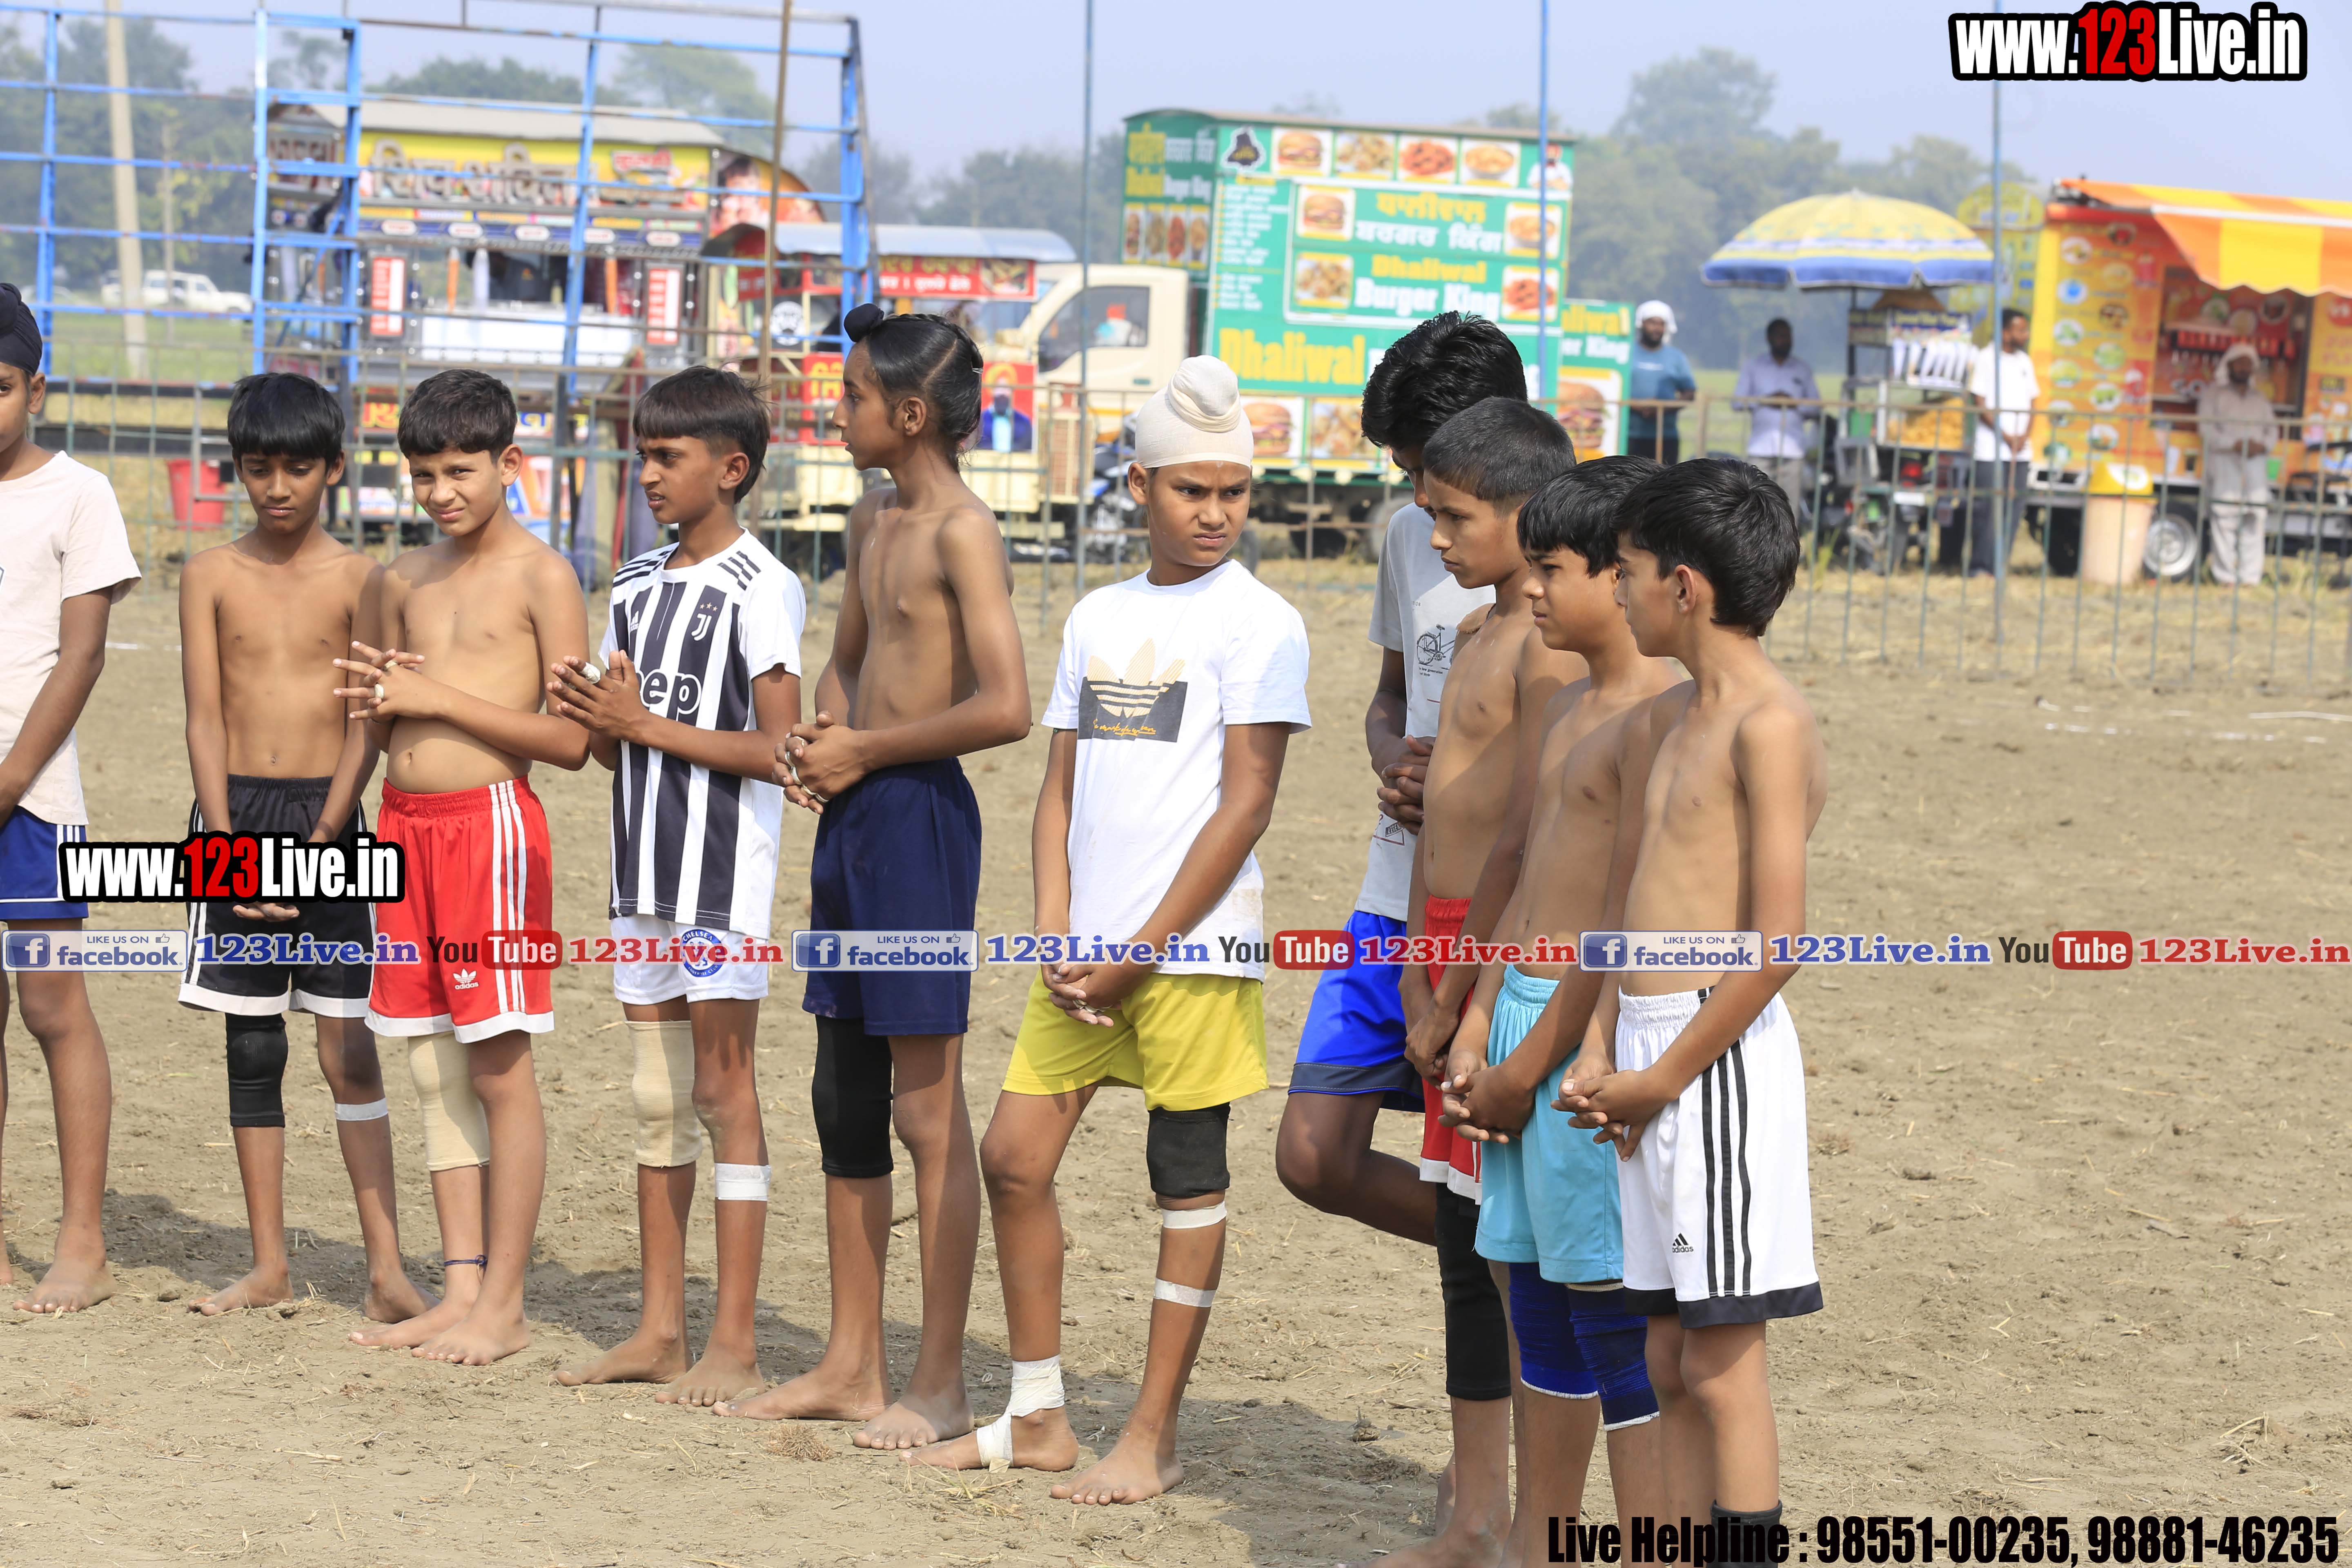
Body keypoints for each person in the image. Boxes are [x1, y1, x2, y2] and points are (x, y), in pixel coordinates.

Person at [911, 354, 1307, 1504]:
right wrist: (1053, 927)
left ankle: (1152, 1435)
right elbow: (1059, 789)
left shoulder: (1264, 622)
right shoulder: (1097, 614)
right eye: (1191, 490)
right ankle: (1038, 1415)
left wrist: (1138, 954)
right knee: (1011, 1160)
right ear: (1138, 486)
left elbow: (1247, 804)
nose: (1215, 512)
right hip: (1079, 957)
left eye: (1233, 491)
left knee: (1184, 1180)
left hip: (1193, 955)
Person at [716, 304, 1030, 1448]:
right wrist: (821, 737)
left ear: (907, 414)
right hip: (852, 815)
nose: (832, 413)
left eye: (848, 397)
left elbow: (1007, 706)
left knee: (924, 1109)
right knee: (842, 1097)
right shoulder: (868, 517)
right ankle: (852, 1365)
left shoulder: (964, 531)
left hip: (919, 823)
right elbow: (845, 662)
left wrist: (869, 751)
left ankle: (939, 1384)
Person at [1555, 459, 1826, 1561]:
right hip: (1648, 1049)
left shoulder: (1770, 724)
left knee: (1718, 1364)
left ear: (1684, 585)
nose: (1613, 589)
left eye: (1623, 569)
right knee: (1666, 1355)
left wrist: (1664, 1075)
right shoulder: (1670, 716)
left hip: (1713, 1060)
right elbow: (1633, 894)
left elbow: (1778, 941)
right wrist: (1601, 1040)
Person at [1436, 457, 1679, 1559]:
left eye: (1552, 569)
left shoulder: (1657, 719)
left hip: (1580, 1036)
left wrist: (1543, 1052)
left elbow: (1620, 915)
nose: (1529, 590)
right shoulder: (1568, 701)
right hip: (1519, 1015)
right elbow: (1527, 872)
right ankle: (1542, 1539)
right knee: (1530, 1291)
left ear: (1619, 574)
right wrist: (1474, 1011)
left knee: (1609, 1312)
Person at [547, 366, 804, 1405]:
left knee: (722, 1093)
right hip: (639, 872)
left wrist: (640, 724)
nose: (647, 473)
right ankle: (659, 1330)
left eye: (667, 457)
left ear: (731, 468)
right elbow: (620, 749)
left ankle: (733, 1342)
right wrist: (598, 717)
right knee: (658, 1099)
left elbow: (784, 752)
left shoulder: (762, 584)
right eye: (642, 455)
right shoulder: (633, 583)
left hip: (721, 881)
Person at [334, 368, 591, 1365]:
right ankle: (462, 1288)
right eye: (423, 474)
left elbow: (570, 743)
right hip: (401, 832)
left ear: (509, 463)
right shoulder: (397, 579)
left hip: (490, 832)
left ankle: (507, 1304)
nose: (441, 492)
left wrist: (434, 697)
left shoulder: (544, 576)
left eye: (460, 471)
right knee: (430, 1059)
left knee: (497, 1065)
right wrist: (379, 717)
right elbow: (374, 721)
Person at [176, 371, 430, 1323]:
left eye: (297, 468)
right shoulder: (208, 574)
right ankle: (268, 1266)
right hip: (232, 817)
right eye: (258, 468)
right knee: (252, 1044)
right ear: (236, 470)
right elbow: (204, 716)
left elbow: (370, 720)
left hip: (331, 817)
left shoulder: (366, 580)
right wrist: (225, 844)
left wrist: (327, 832)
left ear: (334, 468)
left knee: (348, 1046)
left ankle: (387, 1271)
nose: (277, 487)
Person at [1277, 312, 1525, 1244]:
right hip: (1394, 896)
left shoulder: (1576, 560)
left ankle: (1518, 1259)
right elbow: (1388, 699)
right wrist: (1394, 763)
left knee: (1483, 1162)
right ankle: (1506, 1248)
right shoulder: (1408, 536)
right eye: (1406, 473)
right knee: (1312, 1155)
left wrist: (1471, 791)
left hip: (1497, 909)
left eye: (1424, 469)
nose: (1417, 497)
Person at [1390, 395, 1584, 1568]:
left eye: (1455, 518)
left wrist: (1465, 991)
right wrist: (1420, 975)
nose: (1438, 539)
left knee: (1507, 1253)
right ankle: (1475, 1515)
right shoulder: (1471, 634)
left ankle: (1523, 1524)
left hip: (1497, 956)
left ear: (1524, 513)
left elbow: (1523, 840)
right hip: (1442, 948)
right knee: (1464, 1247)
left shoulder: (1548, 654)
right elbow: (1439, 832)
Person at [0, 282, 137, 1315]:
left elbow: (80, 656)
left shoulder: (79, 495)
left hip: (33, 798)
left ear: (36, 389)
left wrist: (9, 780)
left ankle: (81, 1240)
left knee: (52, 1004)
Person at [2197, 341, 2276, 587]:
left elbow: (2273, 431)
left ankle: (2250, 578)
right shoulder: (2213, 396)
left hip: (2255, 467)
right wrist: (2235, 444)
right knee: (2225, 519)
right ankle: (2226, 578)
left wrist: (2261, 446)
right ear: (2229, 366)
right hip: (2226, 464)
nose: (2244, 368)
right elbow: (2206, 430)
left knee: (2254, 520)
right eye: (2239, 363)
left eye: (2248, 364)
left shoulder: (2260, 399)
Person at [1967, 308, 2039, 577]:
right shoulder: (1986, 359)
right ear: (2006, 332)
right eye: (2021, 330)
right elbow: (1980, 403)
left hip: (2020, 452)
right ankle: (1980, 566)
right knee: (1988, 509)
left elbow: (2034, 401)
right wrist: (2007, 437)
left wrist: (2025, 436)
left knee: (2013, 508)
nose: (2026, 335)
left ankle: (1999, 566)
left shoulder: (2025, 362)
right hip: (1991, 449)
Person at [1732, 319, 1817, 523]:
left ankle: (1788, 544)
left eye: (1788, 336)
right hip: (1761, 447)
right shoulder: (1754, 367)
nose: (1785, 340)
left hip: (1793, 449)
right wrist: (1767, 400)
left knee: (1789, 507)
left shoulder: (1802, 369)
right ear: (1769, 338)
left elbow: (1816, 406)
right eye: (1780, 336)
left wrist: (1793, 404)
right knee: (1755, 504)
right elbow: (1737, 402)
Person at [1626, 301, 1697, 466]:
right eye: (1652, 323)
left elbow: (1689, 393)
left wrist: (1661, 408)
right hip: (1629, 434)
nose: (1657, 328)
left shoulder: (1676, 357)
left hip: (1666, 436)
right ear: (1642, 324)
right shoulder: (1627, 353)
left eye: (1661, 324)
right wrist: (1637, 406)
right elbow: (1614, 387)